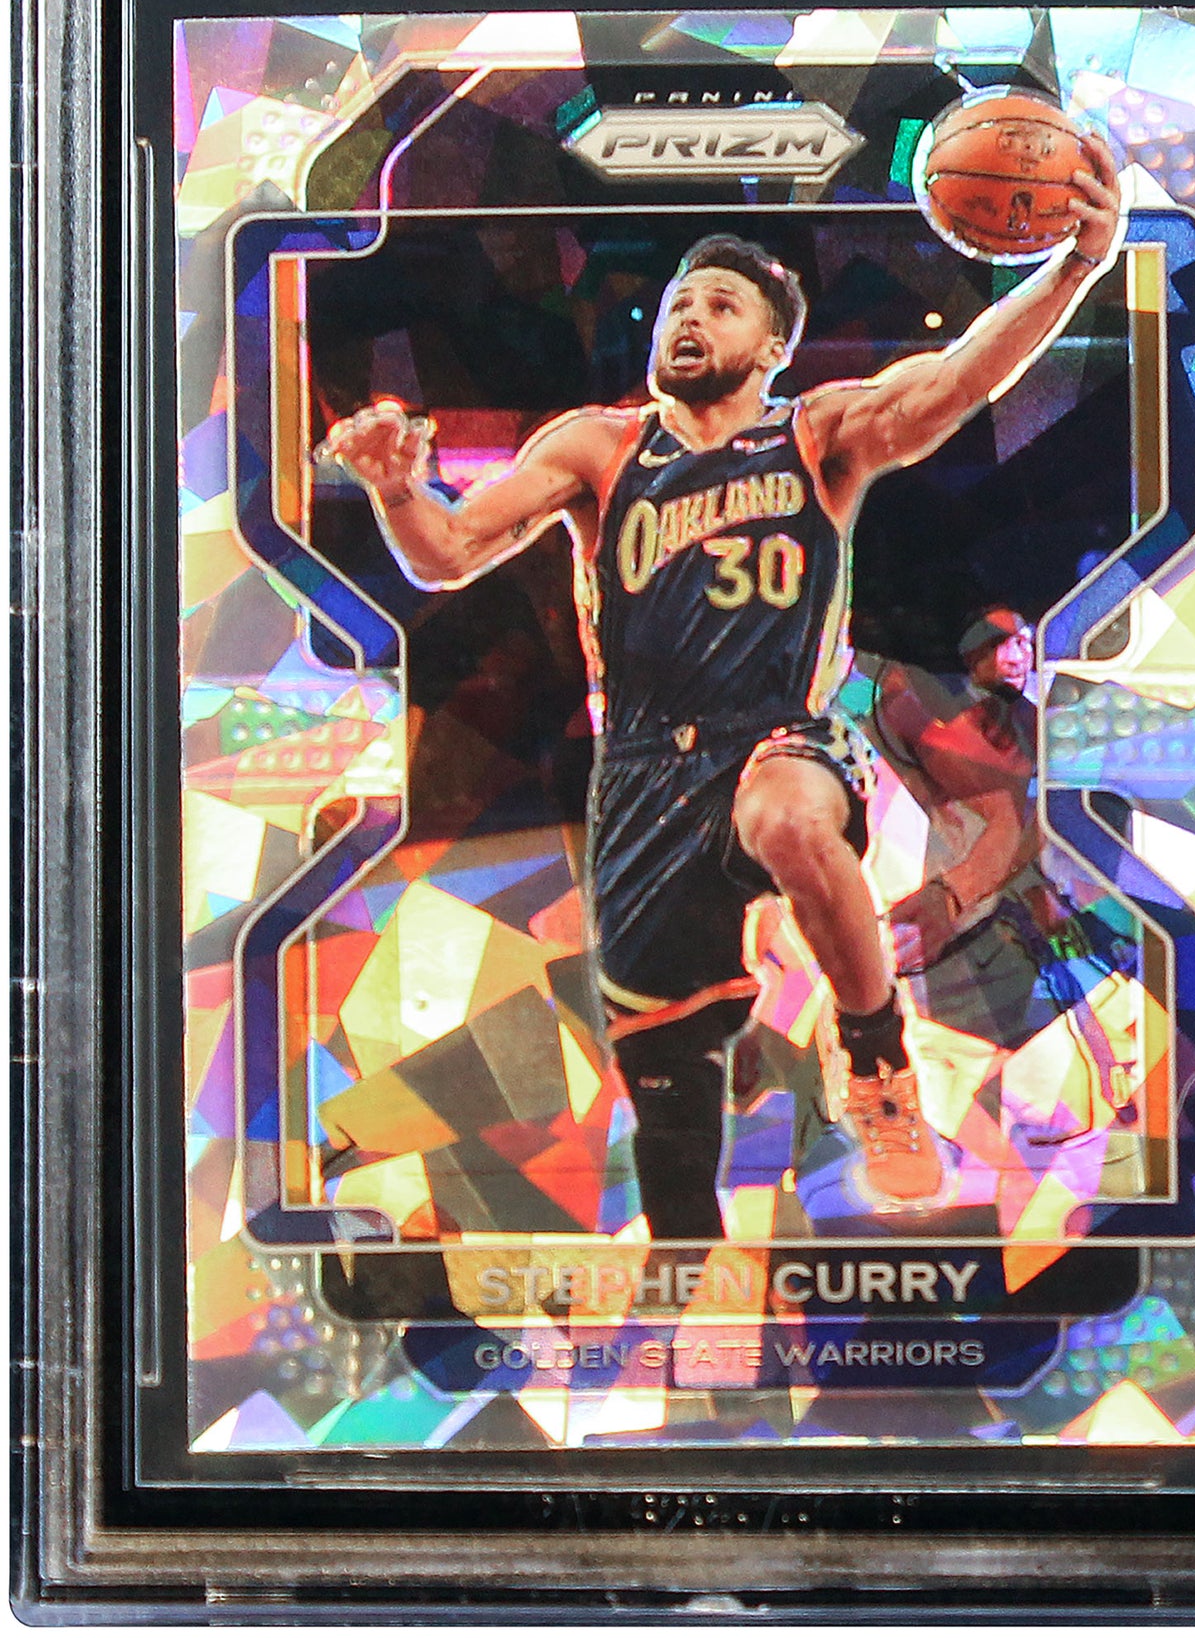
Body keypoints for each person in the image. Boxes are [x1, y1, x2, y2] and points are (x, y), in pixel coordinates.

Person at [321, 135, 1121, 1237]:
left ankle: (876, 1062)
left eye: (719, 304)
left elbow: (956, 380)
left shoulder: (818, 434)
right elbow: (448, 552)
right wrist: (395, 490)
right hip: (641, 776)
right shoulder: (598, 447)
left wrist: (1073, 267)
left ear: (771, 347)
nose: (688, 317)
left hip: (776, 735)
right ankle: (685, 1278)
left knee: (788, 816)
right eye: (677, 304)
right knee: (671, 1117)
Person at [871, 608, 1138, 1137]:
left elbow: (1035, 816)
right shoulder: (918, 706)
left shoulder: (1033, 719)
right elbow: (1009, 816)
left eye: (1024, 641)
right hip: (956, 959)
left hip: (1018, 933)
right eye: (1003, 643)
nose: (1018, 655)